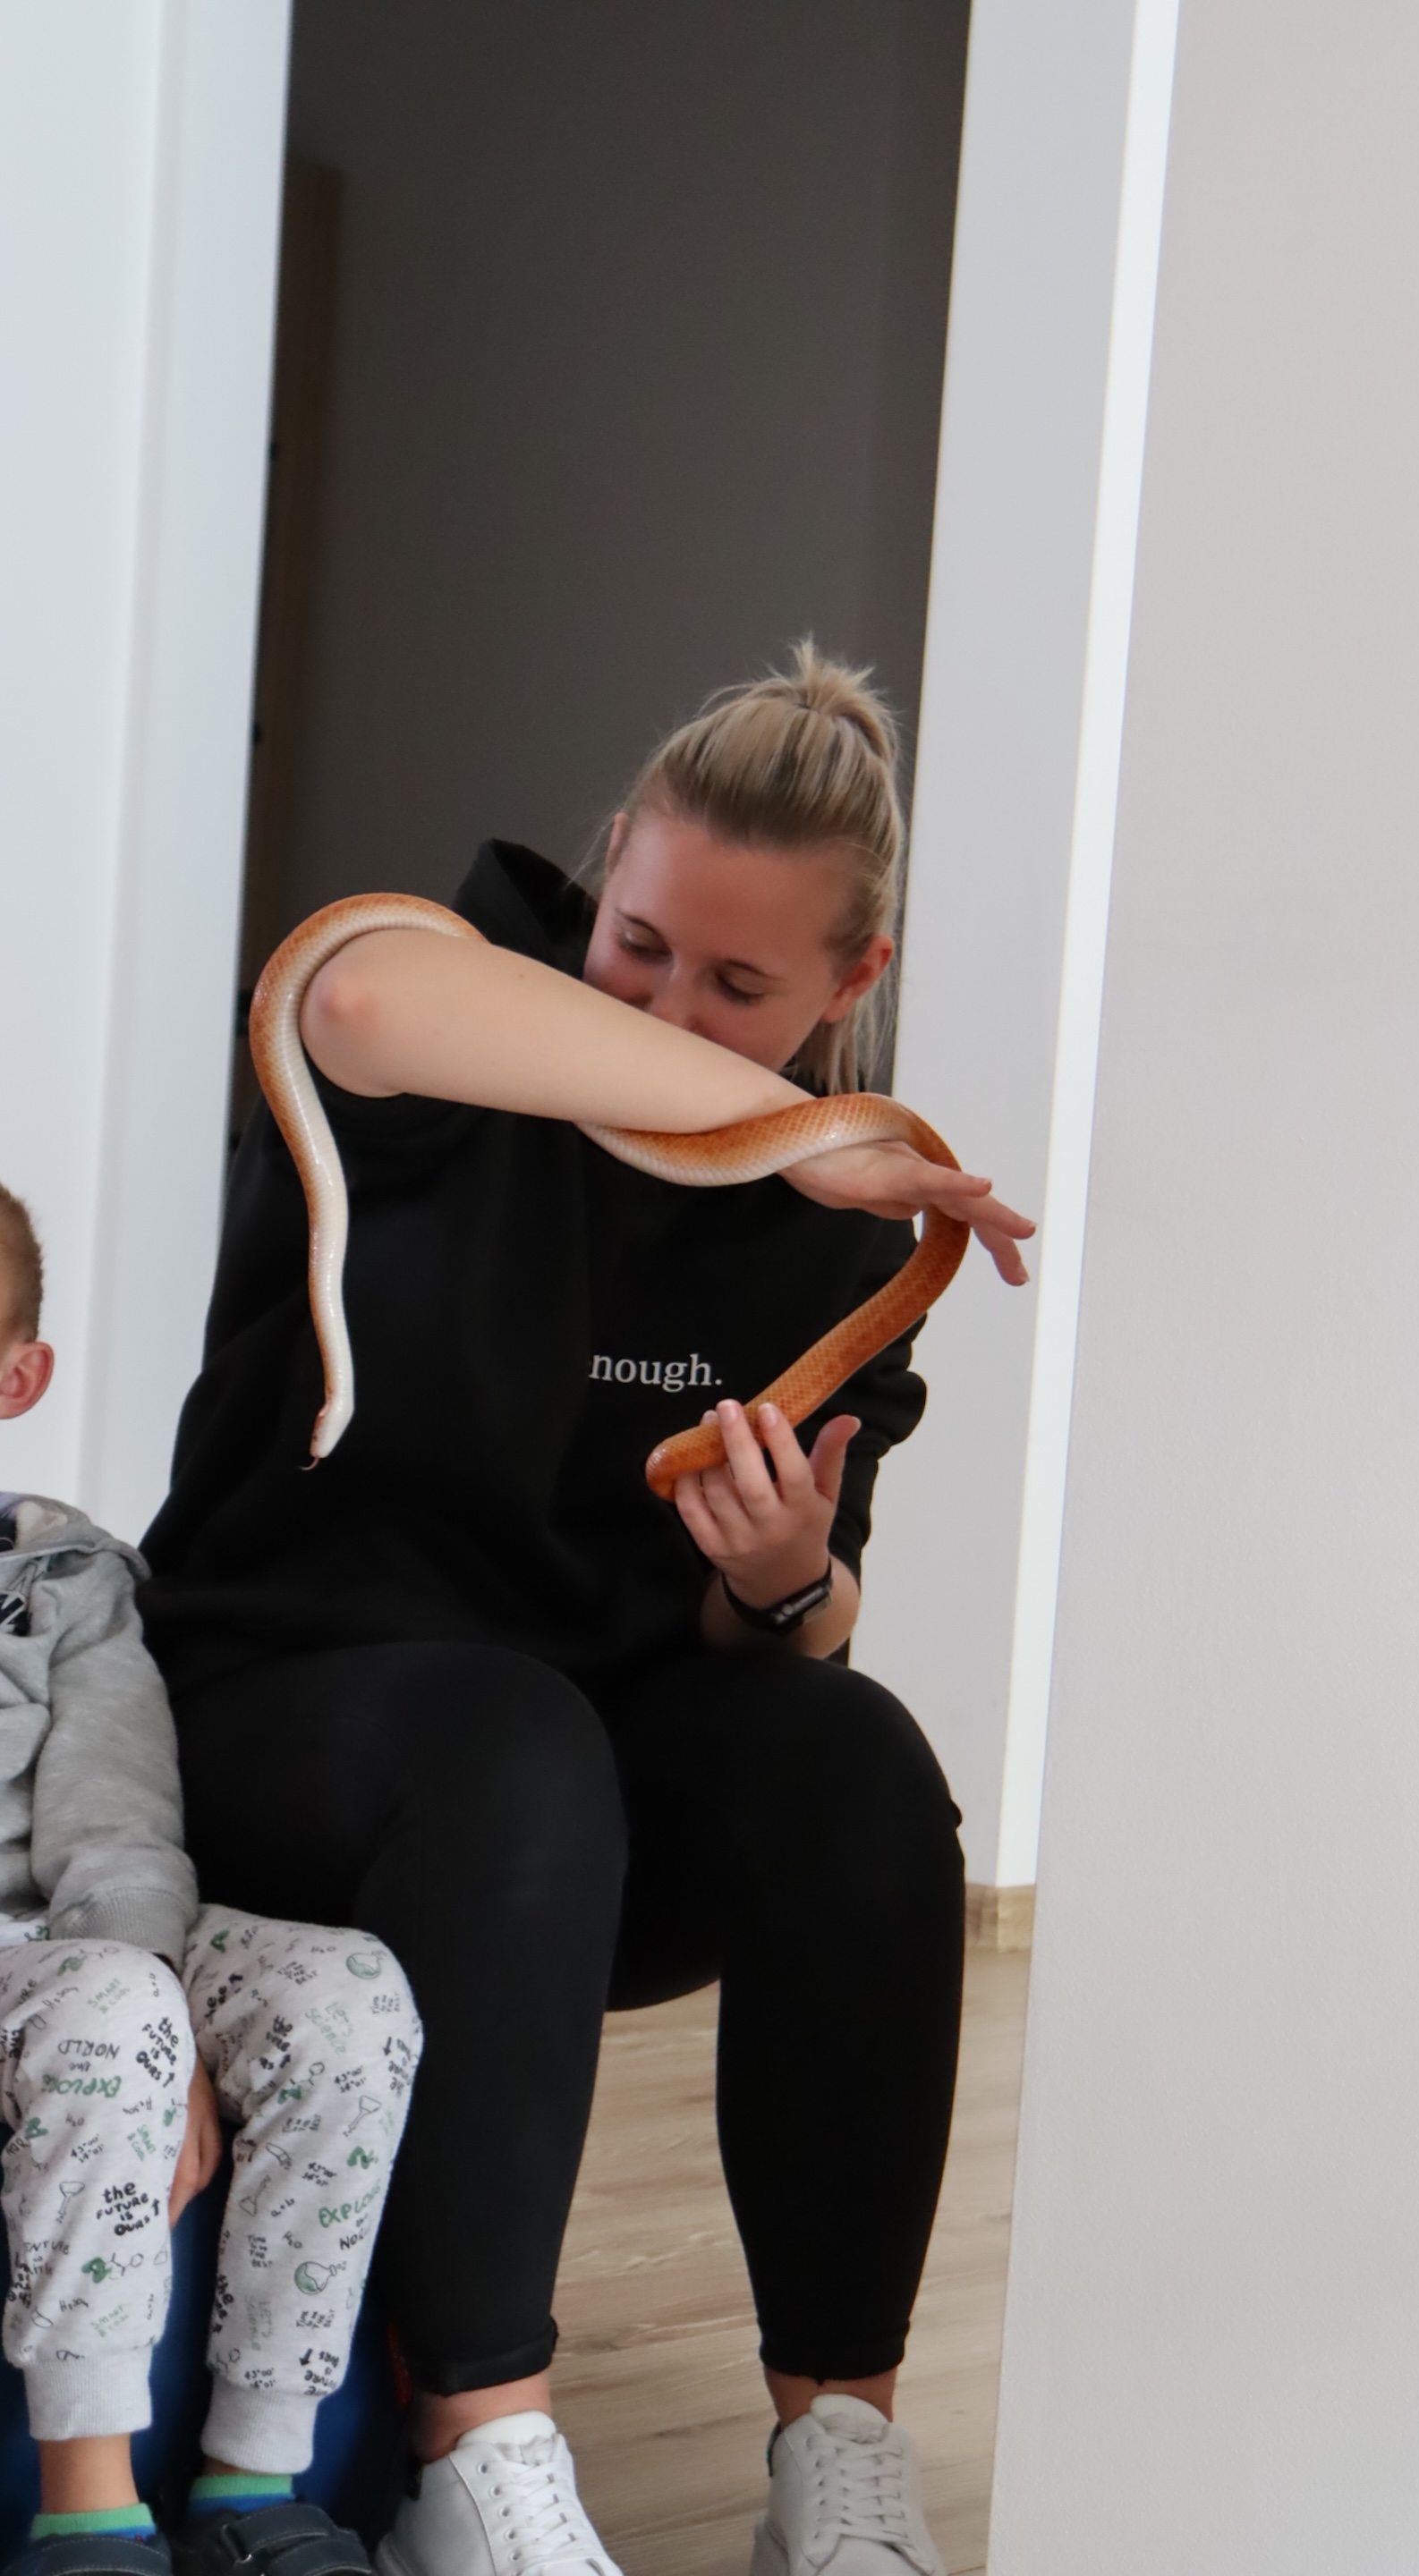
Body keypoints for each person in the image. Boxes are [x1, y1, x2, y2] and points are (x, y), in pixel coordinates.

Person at [139, 648, 1034, 2576]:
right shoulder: (447, 1024)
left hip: (568, 1832)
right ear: (607, 861)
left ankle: (841, 2448)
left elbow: (778, 1650)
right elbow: (350, 993)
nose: (668, 1006)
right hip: (283, 1720)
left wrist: (778, 1582)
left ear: (853, 984)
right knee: (511, 1734)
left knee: (860, 1766)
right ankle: (481, 2456)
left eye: (740, 988)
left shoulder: (838, 1242)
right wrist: (791, 1124)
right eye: (639, 943)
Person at [0, 1183, 421, 2576]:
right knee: (111, 2013)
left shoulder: (66, 1575)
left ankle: (254, 2482)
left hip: (82, 1941)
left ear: (17, 1379)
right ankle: (87, 2511)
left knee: (348, 1995)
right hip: (57, 1997)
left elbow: (117, 1822)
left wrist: (171, 2013)